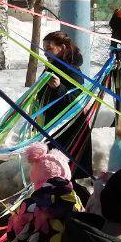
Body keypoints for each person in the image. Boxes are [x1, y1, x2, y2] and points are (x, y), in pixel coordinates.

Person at [35, 31, 92, 180]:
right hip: (54, 123)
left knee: (68, 168)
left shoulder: (72, 69)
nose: (45, 52)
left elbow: (78, 99)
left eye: (49, 48)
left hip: (70, 127)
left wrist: (59, 88)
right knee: (54, 167)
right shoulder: (51, 66)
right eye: (44, 48)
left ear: (62, 47)